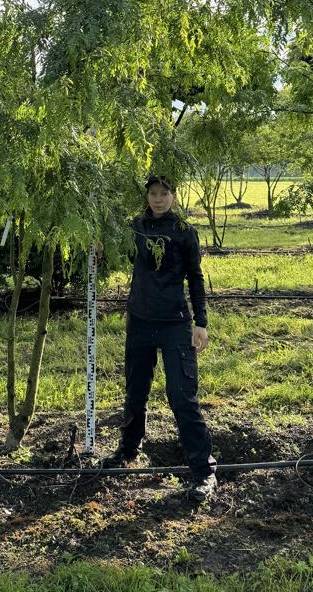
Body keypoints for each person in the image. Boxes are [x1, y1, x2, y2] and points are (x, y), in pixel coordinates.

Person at [104, 174, 217, 502]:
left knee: (181, 395)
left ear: (173, 195)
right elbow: (116, 252)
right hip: (139, 320)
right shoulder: (134, 226)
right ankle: (128, 451)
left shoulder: (184, 230)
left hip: (175, 324)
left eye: (163, 193)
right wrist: (101, 247)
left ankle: (203, 471)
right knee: (135, 391)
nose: (157, 199)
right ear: (147, 196)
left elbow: (195, 277)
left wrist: (201, 323)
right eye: (152, 193)